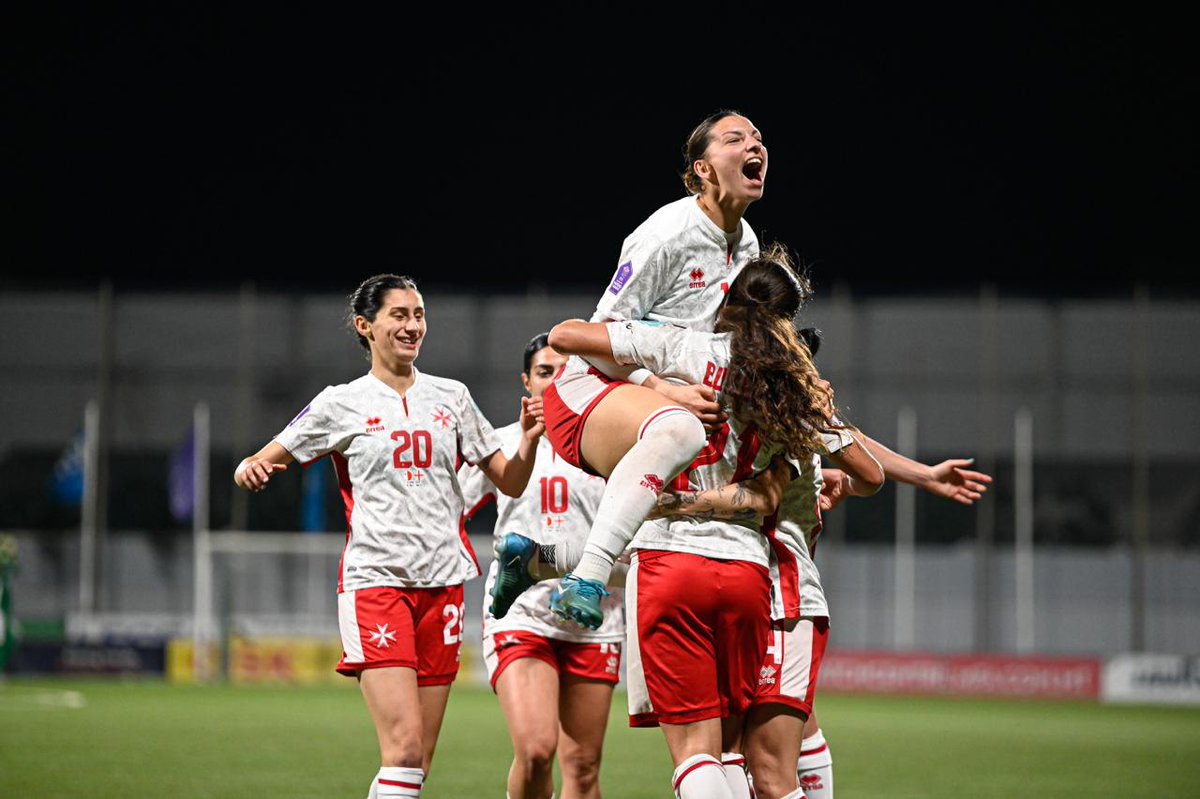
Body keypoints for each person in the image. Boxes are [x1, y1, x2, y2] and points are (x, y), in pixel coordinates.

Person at [547, 247, 884, 799]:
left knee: (696, 755)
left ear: (722, 299)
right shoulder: (790, 389)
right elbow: (869, 474)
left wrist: (652, 384)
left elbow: (566, 336)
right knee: (735, 751)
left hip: (670, 560)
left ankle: (572, 566)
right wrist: (824, 462)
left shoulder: (680, 347)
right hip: (749, 574)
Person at [233, 274, 543, 799]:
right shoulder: (340, 402)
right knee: (401, 749)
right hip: (376, 583)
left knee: (416, 761)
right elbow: (265, 457)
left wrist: (530, 440)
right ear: (365, 326)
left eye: (418, 314)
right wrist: (251, 468)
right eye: (399, 315)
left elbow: (509, 480)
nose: (412, 325)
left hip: (443, 588)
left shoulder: (453, 397)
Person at [500, 110, 773, 630]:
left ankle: (538, 560)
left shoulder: (749, 246)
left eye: (758, 138)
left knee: (673, 528)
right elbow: (597, 338)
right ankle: (586, 579)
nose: (754, 145)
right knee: (680, 431)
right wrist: (661, 389)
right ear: (703, 169)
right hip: (590, 390)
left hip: (675, 406)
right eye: (735, 139)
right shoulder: (667, 233)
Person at [457, 333, 623, 799]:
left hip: (598, 620)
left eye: (566, 372)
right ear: (526, 382)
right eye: (545, 372)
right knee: (535, 750)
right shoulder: (502, 444)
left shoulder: (608, 444)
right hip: (522, 617)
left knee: (584, 766)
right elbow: (447, 508)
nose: (555, 382)